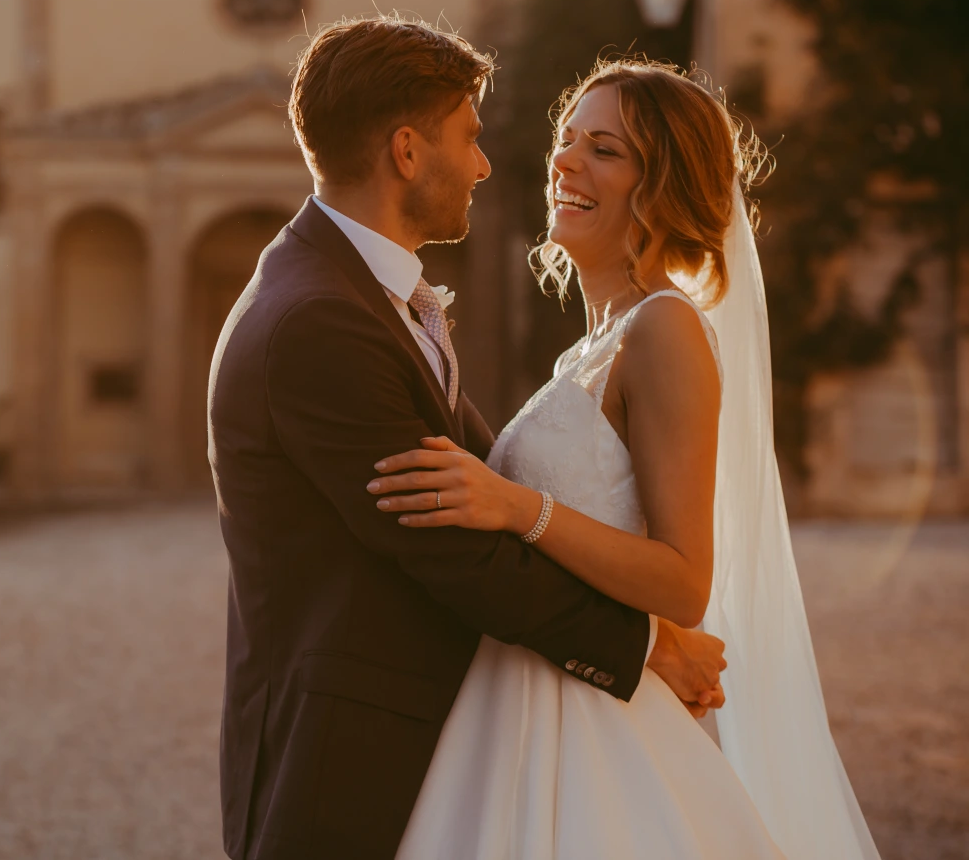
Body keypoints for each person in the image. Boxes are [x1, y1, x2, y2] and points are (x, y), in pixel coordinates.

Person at [210, 18, 732, 860]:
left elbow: (490, 495)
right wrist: (644, 648)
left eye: (605, 148)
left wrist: (522, 508)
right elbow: (449, 544)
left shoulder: (363, 297)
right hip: (355, 748)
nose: (493, 164)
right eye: (471, 137)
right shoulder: (320, 317)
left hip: (531, 734)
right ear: (408, 152)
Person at [375, 59, 880, 859]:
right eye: (568, 140)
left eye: (605, 150)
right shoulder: (590, 347)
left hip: (593, 729)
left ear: (665, 185)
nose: (565, 161)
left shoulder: (665, 329)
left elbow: (683, 577)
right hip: (513, 706)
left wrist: (517, 508)